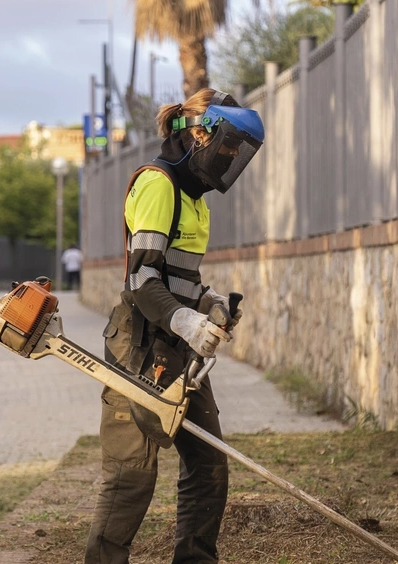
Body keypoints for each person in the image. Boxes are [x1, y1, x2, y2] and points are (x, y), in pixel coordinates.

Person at [84, 88, 265, 564]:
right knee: (131, 474)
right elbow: (142, 279)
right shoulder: (158, 184)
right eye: (226, 146)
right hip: (139, 346)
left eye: (235, 151)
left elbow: (177, 278)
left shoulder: (194, 198)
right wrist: (187, 320)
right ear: (198, 135)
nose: (229, 158)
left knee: (208, 468)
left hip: (177, 347)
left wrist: (211, 303)